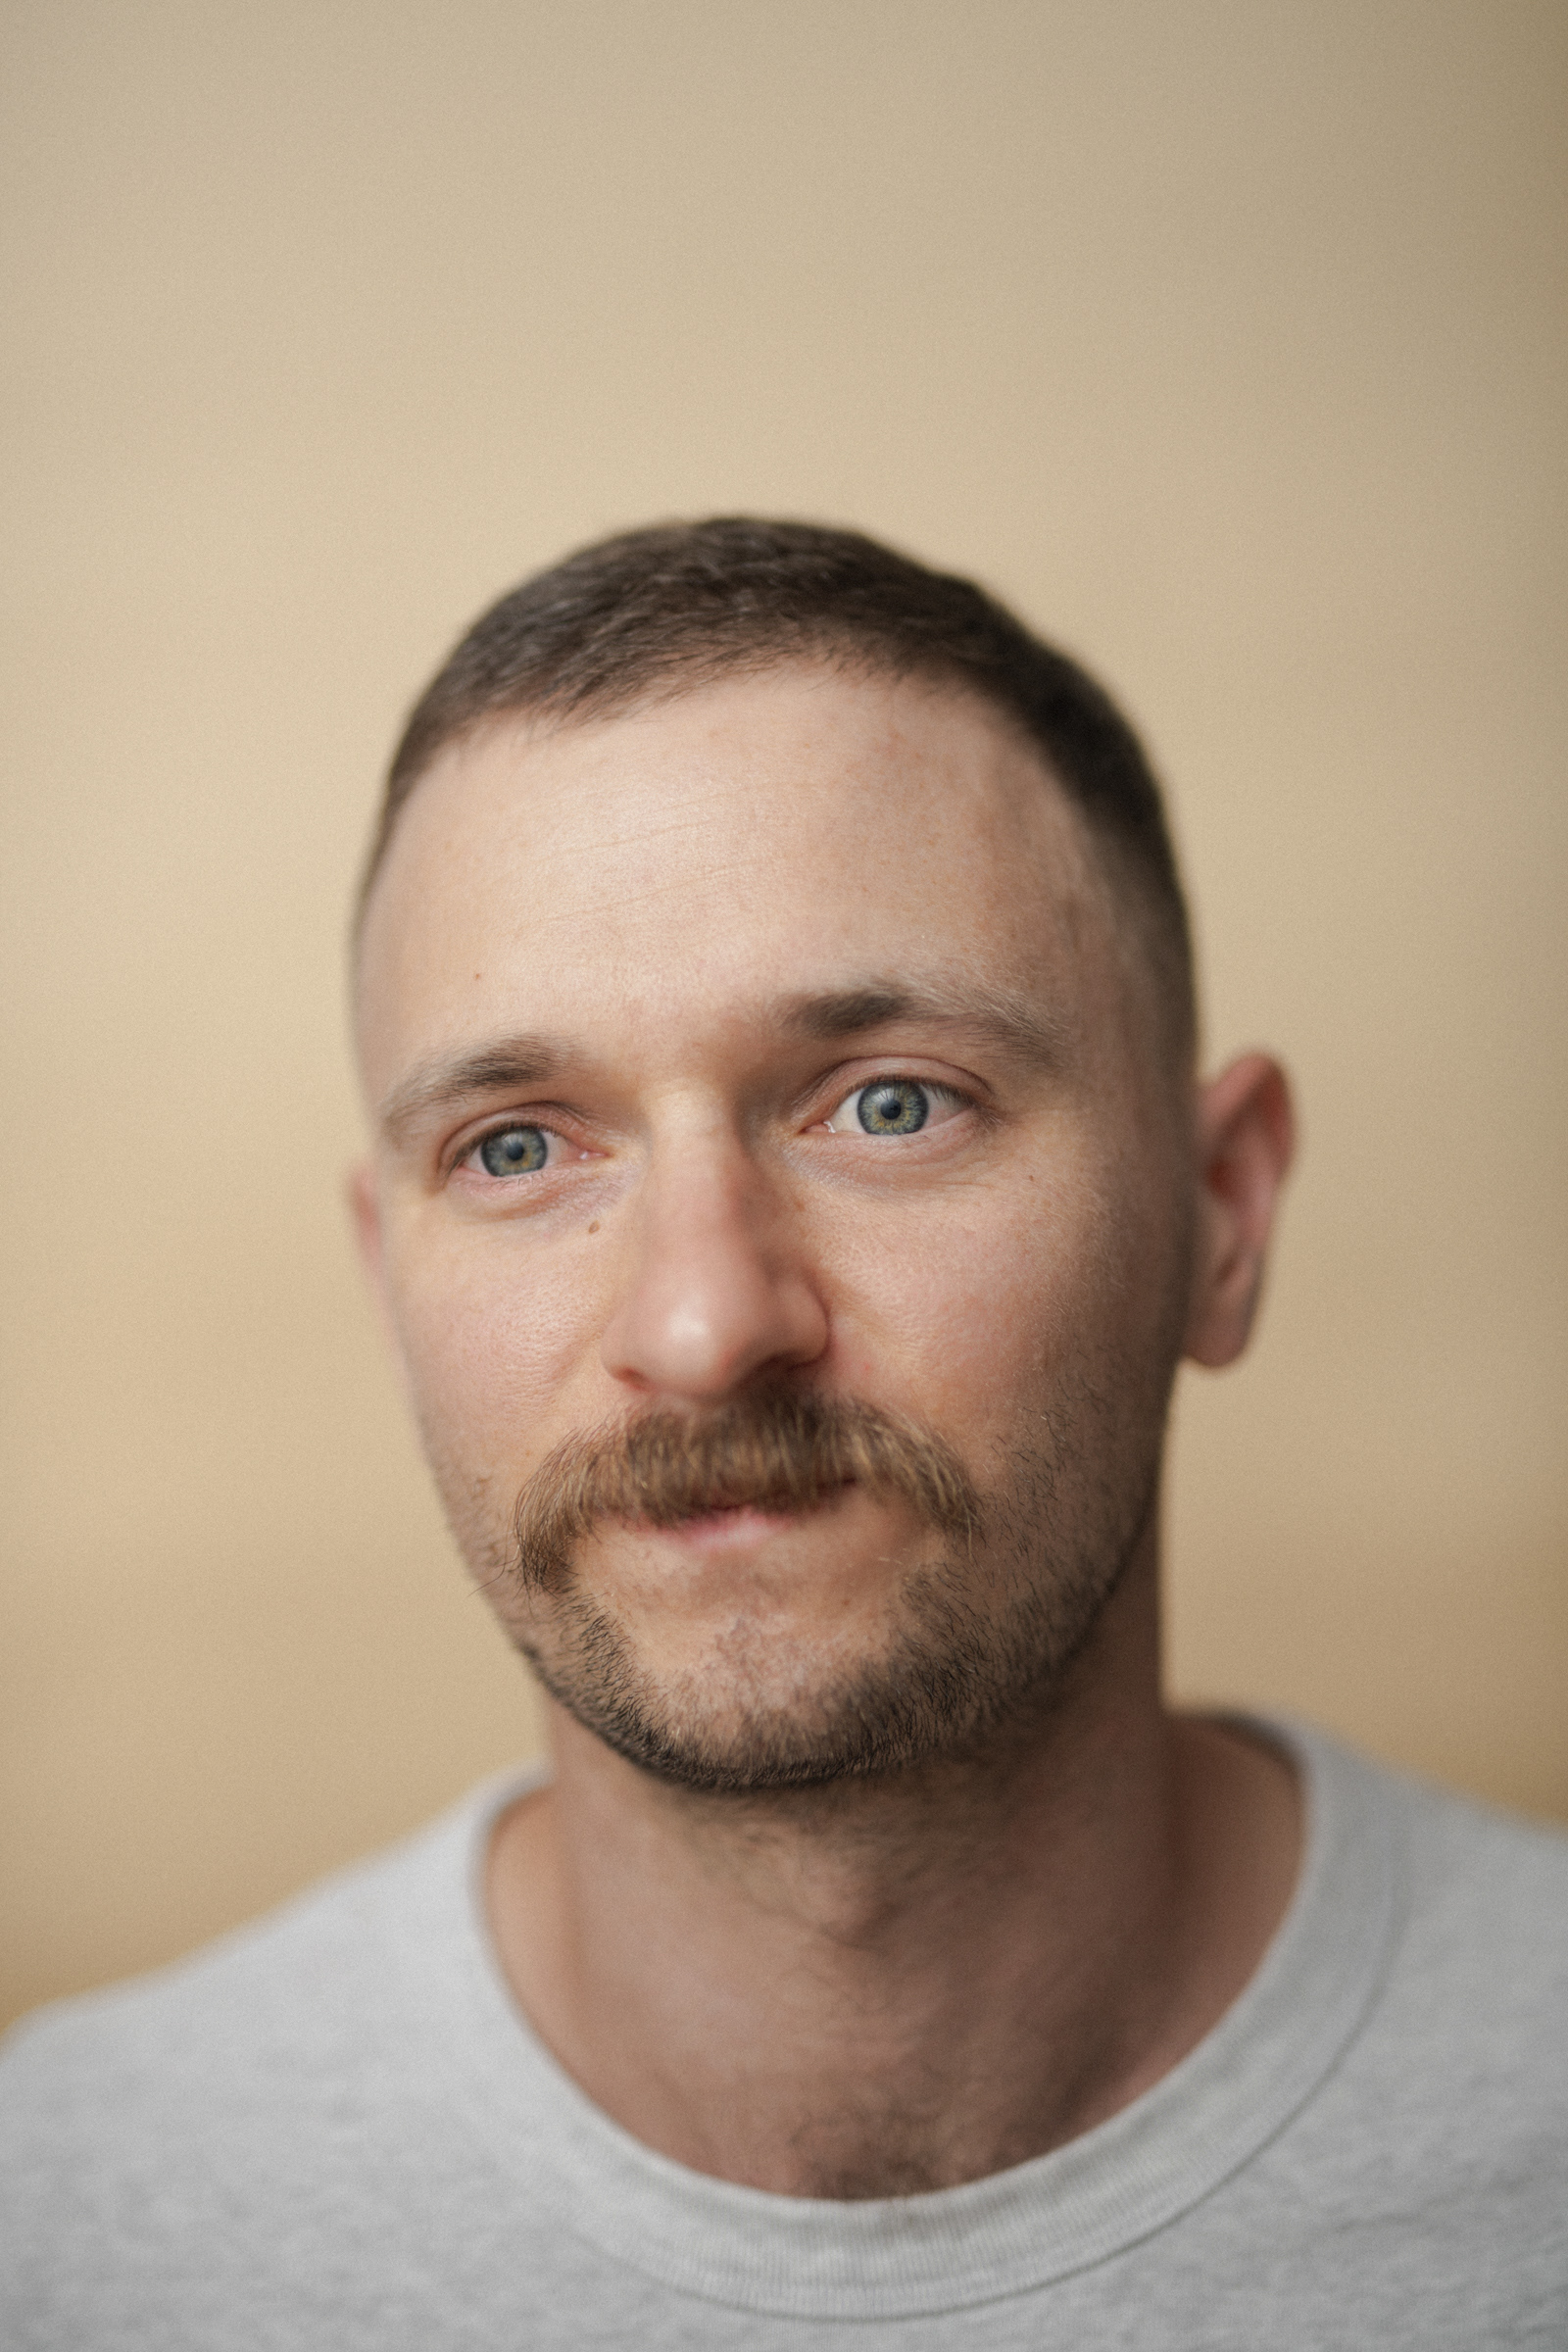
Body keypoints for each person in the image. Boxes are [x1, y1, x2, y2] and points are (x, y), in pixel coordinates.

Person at [2, 519, 1563, 2348]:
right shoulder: (72, 2222)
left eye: (891, 1105)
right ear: (386, 1286)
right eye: (517, 1147)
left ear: (1220, 1216)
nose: (704, 1325)